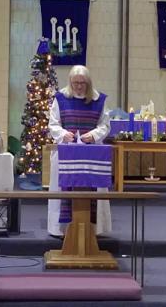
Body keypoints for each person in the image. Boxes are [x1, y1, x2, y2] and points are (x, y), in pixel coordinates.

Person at [47, 65, 111, 237]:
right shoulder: (61, 98)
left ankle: (93, 228)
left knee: (93, 190)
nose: (79, 86)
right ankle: (62, 229)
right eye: (75, 83)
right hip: (65, 153)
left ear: (88, 82)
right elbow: (53, 123)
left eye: (82, 83)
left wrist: (94, 135)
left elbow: (105, 125)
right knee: (63, 190)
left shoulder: (98, 99)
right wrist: (63, 134)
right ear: (70, 82)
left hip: (92, 154)